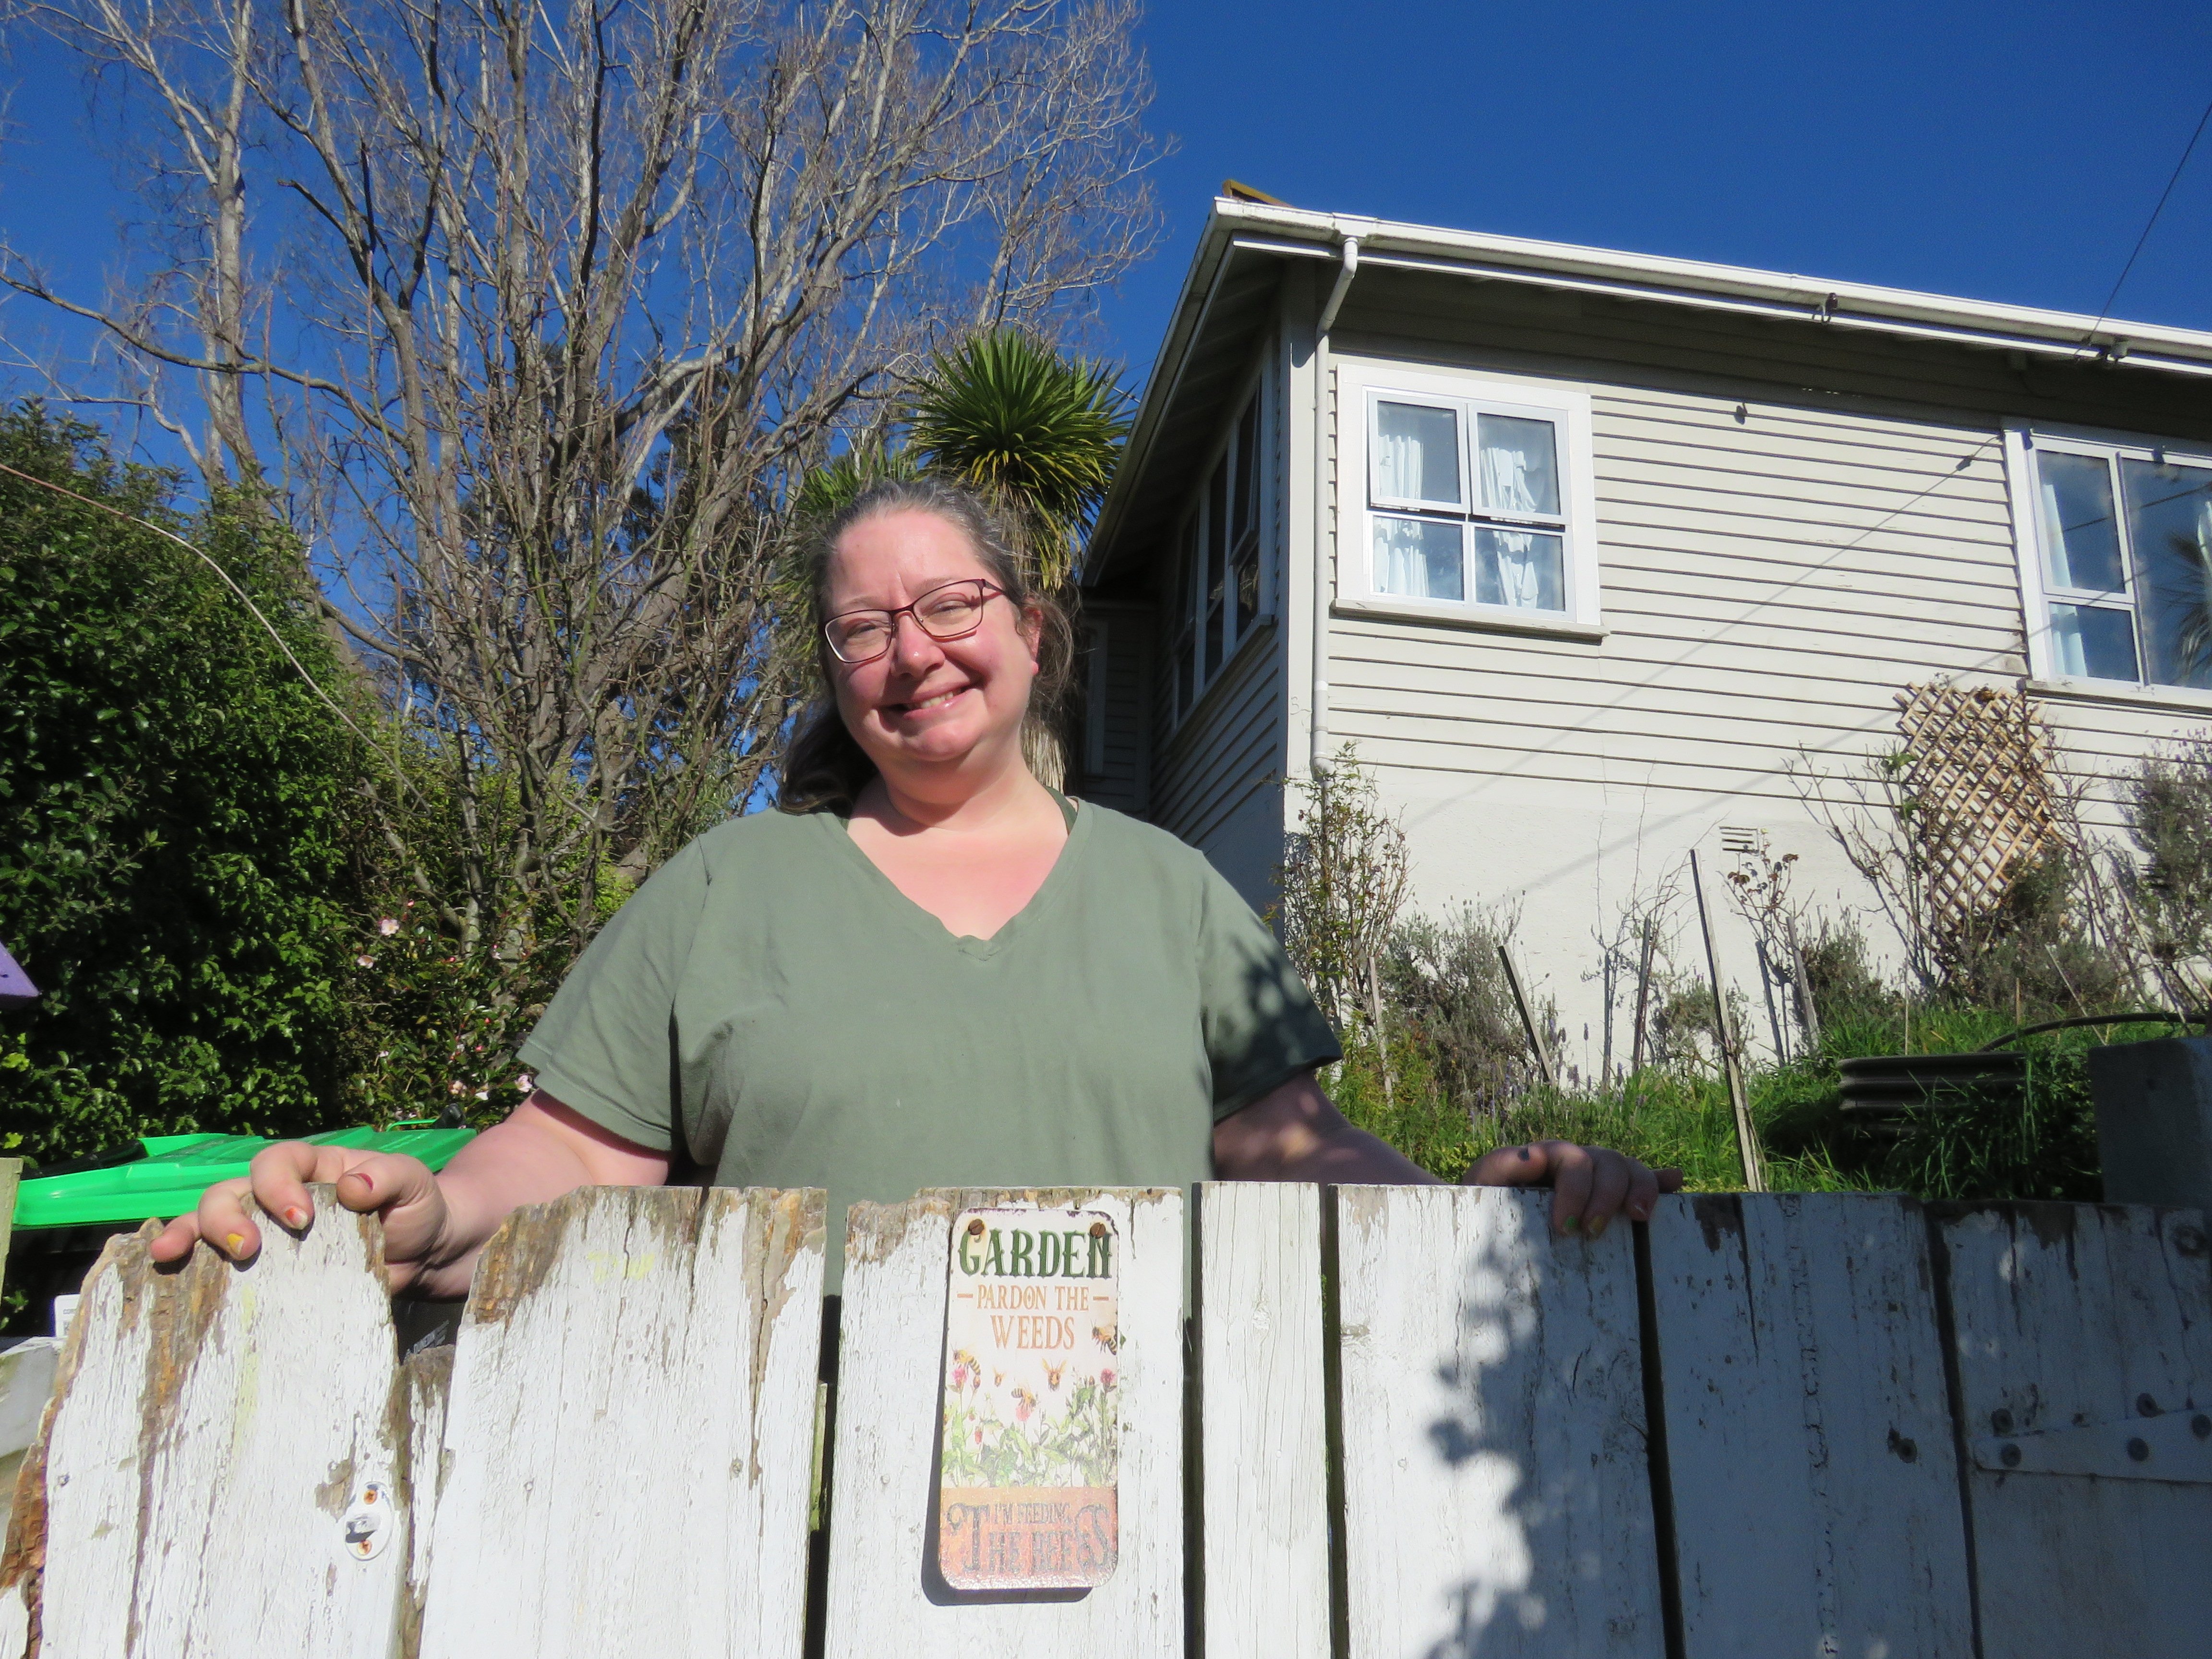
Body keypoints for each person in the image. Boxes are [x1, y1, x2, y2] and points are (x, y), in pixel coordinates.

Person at [153, 479, 1680, 1295]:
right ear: (833, 673)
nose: (911, 651)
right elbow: (567, 1156)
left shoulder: (1172, 893)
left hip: (1165, 1507)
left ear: (1029, 628)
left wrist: (1463, 1215)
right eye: (861, 627)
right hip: (779, 1504)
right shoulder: (726, 885)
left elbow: (1294, 1153)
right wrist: (419, 1214)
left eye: (950, 603)